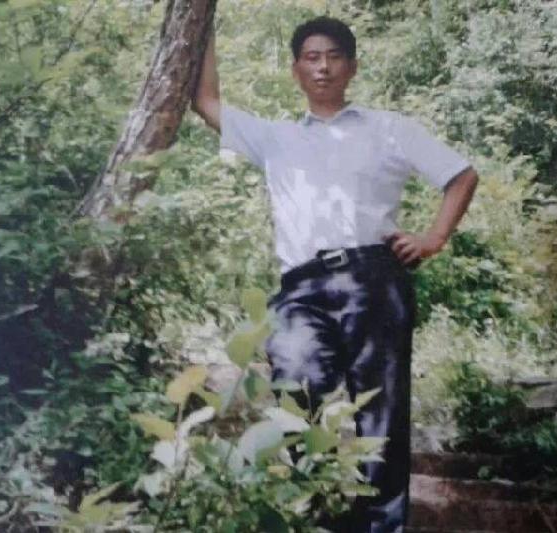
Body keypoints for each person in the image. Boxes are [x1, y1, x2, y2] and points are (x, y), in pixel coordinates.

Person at [191, 14, 478, 533]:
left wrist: (433, 238)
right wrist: (201, 18)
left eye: (333, 57)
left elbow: (461, 175)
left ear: (352, 66)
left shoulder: (389, 129)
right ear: (296, 70)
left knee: (382, 414)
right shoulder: (275, 137)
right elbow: (205, 100)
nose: (322, 67)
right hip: (301, 288)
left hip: (375, 277)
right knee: (294, 386)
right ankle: (313, 510)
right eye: (311, 58)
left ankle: (382, 527)